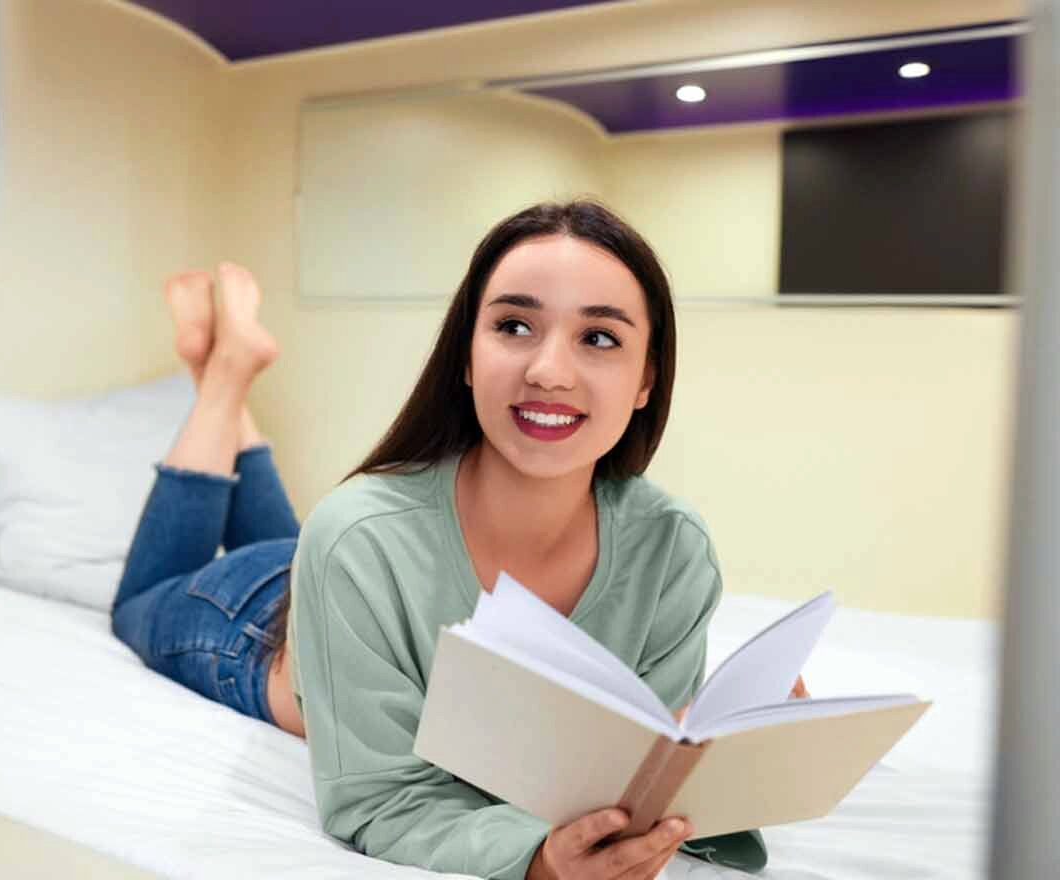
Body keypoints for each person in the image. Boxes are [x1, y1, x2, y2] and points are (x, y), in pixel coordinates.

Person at [112, 200, 806, 880]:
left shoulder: (673, 551)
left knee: (314, 539)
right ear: (466, 358)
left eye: (599, 338)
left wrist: (714, 753)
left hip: (334, 570)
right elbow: (379, 797)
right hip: (254, 628)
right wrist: (533, 860)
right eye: (514, 325)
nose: (549, 372)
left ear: (646, 378)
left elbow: (623, 783)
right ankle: (225, 376)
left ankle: (223, 371)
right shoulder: (357, 538)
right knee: (139, 600)